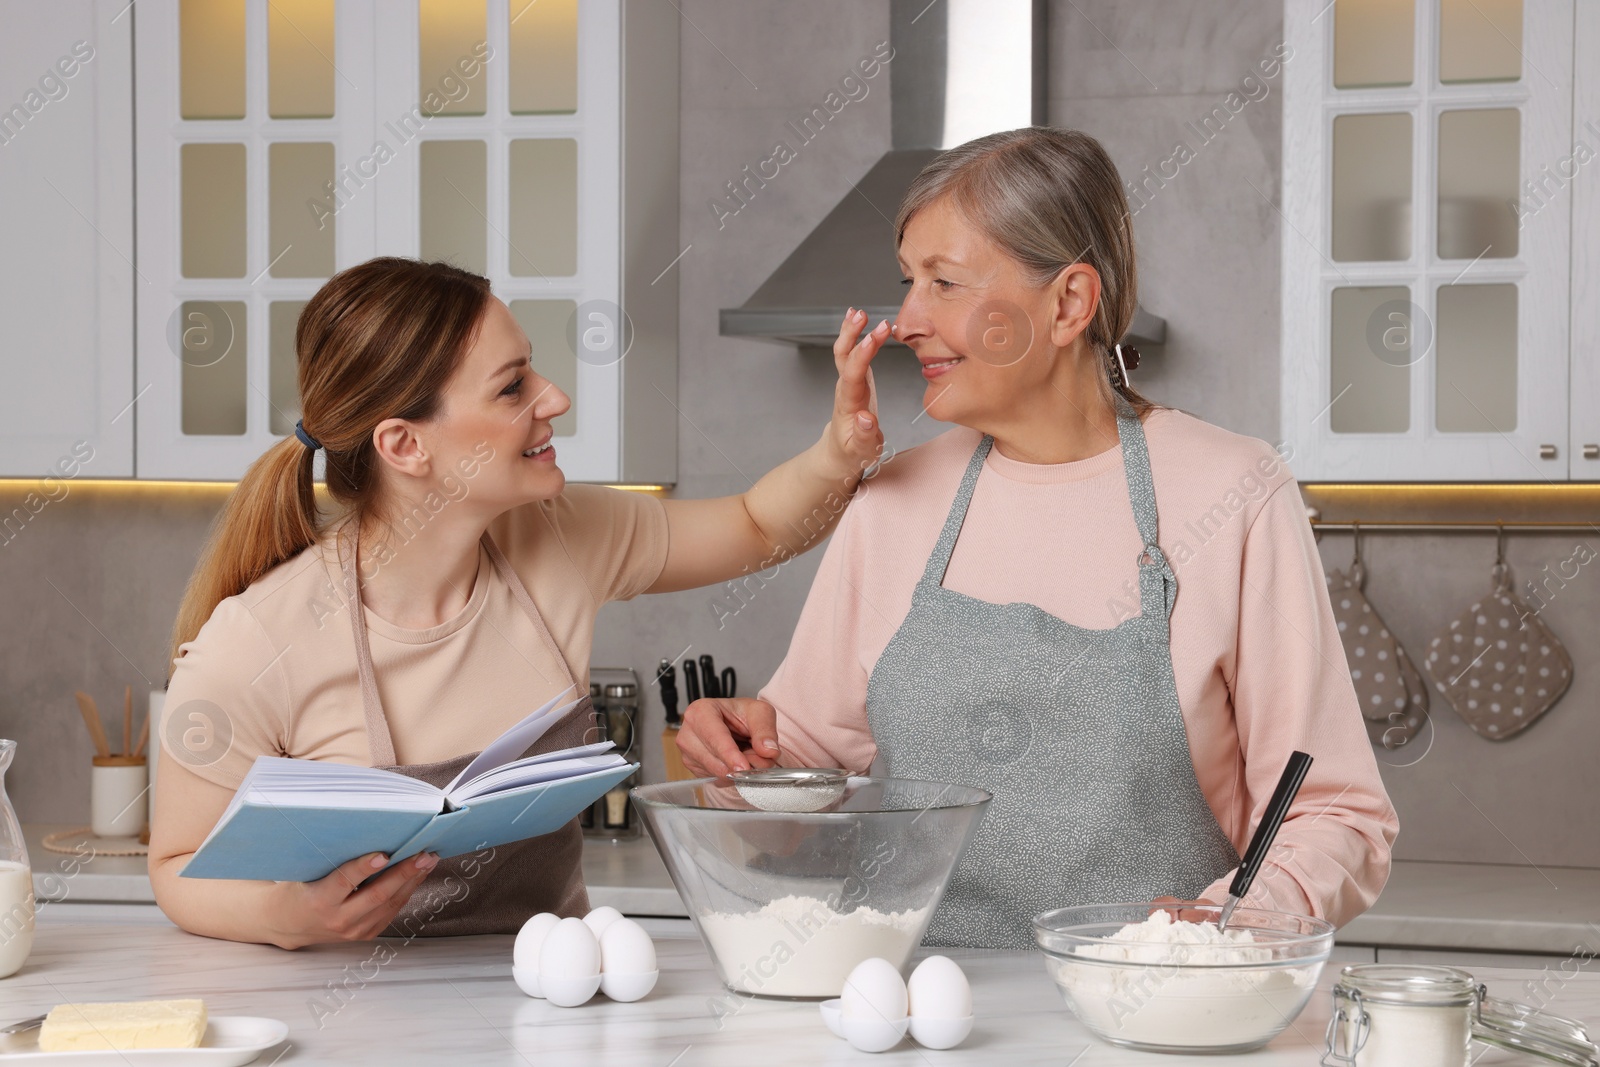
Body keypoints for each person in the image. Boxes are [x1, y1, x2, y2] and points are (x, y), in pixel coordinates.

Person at [676, 127, 1399, 949]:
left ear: (1068, 303)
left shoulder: (1234, 492)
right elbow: (794, 804)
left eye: (943, 282)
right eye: (908, 282)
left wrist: (1230, 924)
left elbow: (1338, 813)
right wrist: (745, 763)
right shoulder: (894, 502)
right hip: (912, 1015)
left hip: (1150, 1017)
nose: (907, 320)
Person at [149, 257, 890, 949]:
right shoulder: (255, 641)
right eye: (513, 387)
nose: (555, 398)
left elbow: (757, 525)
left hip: (551, 1013)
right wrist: (287, 917)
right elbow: (175, 863)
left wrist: (840, 449)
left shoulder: (562, 536)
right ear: (405, 444)